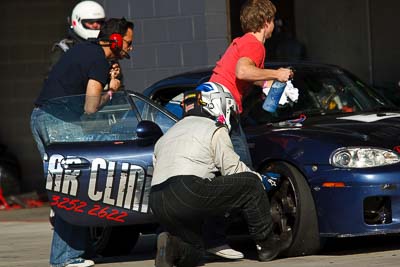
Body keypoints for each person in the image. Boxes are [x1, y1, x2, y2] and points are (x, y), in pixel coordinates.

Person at [149, 83, 291, 267]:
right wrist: (261, 179)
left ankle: (171, 246)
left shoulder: (167, 135)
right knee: (250, 184)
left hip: (158, 199)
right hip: (186, 190)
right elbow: (233, 169)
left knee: (196, 252)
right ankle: (268, 245)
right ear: (218, 105)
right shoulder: (214, 127)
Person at [30, 18, 134, 267]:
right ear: (116, 40)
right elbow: (90, 107)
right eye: (129, 43)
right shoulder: (97, 59)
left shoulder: (85, 50)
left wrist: (107, 77)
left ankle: (78, 249)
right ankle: (65, 257)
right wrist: (111, 90)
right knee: (74, 187)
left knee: (71, 186)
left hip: (43, 118)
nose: (131, 48)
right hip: (58, 122)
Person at [201, 0, 294, 259]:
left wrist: (266, 84)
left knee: (224, 178)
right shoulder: (254, 44)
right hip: (224, 114)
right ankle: (264, 243)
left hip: (213, 110)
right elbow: (242, 71)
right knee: (245, 178)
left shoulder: (242, 41)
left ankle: (212, 238)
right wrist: (276, 74)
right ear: (266, 22)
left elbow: (241, 73)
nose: (274, 24)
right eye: (273, 20)